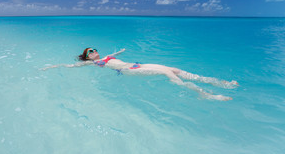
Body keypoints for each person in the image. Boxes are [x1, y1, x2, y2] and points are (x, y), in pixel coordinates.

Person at [41, 48, 239, 101]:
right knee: (168, 73)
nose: (94, 51)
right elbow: (69, 66)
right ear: (87, 57)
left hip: (136, 64)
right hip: (128, 71)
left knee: (176, 69)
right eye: (90, 52)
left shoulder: (107, 56)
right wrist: (51, 67)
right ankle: (203, 94)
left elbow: (116, 54)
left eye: (94, 49)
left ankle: (217, 83)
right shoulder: (94, 63)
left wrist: (122, 52)